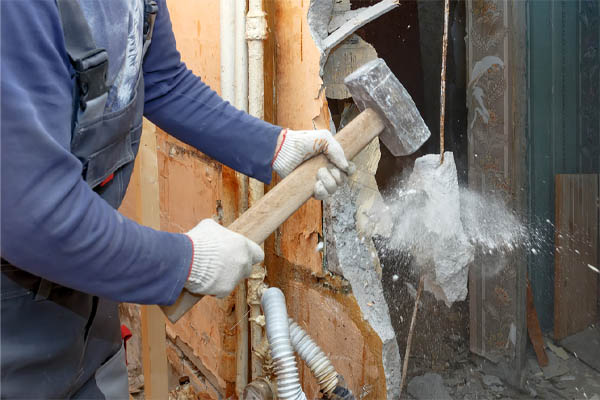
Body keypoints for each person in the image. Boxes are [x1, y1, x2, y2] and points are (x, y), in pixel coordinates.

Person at [0, 0, 351, 398]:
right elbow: (32, 216)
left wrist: (274, 147)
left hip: (86, 289)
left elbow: (163, 80)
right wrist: (184, 263)